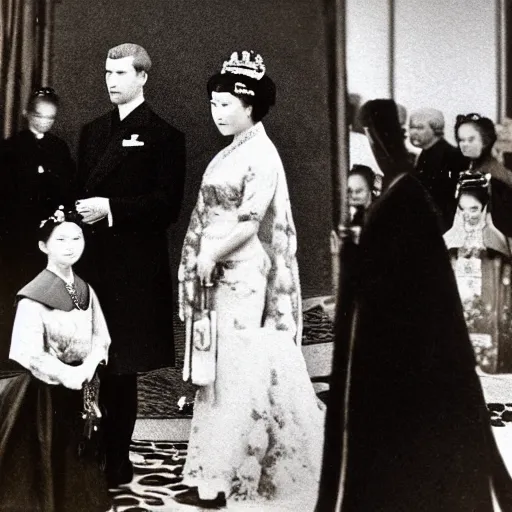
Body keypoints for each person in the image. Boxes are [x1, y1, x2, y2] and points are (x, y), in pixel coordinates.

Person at [316, 99, 512, 511]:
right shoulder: (401, 185)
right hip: (401, 334)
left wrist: (354, 256)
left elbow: (397, 266)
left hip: (403, 337)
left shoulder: (404, 191)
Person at [175, 50, 324, 509]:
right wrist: (199, 259)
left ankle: (232, 475)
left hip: (242, 271)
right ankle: (209, 472)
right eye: (214, 105)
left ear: (250, 106)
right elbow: (207, 215)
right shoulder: (229, 153)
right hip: (216, 271)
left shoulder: (263, 153)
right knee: (216, 369)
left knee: (237, 372)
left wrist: (210, 255)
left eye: (226, 106)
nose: (217, 113)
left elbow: (249, 220)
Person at [75, 43, 186, 488]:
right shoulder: (93, 131)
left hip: (133, 272)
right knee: (87, 362)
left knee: (121, 369)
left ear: (143, 77)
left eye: (120, 73)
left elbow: (166, 206)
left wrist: (111, 208)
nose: (111, 80)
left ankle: (117, 460)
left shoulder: (163, 135)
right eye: (107, 72)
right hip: (91, 265)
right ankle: (88, 450)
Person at [0, 209, 112, 511]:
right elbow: (27, 352)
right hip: (43, 395)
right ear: (43, 246)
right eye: (60, 239)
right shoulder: (33, 297)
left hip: (81, 388)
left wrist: (88, 368)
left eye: (77, 238)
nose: (70, 245)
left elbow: (101, 337)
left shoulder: (85, 289)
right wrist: (68, 375)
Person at [0, 87, 75, 373]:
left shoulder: (58, 148)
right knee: (16, 292)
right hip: (17, 237)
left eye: (51, 118)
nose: (45, 123)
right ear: (27, 114)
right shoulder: (10, 149)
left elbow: (68, 187)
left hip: (50, 235)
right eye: (40, 116)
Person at [444, 175, 512, 373]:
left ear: (484, 208)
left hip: (488, 313)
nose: (467, 215)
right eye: (462, 208)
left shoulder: (496, 239)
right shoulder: (449, 238)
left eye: (474, 209)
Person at [409, 107, 468, 231]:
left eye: (420, 128)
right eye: (412, 127)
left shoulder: (451, 156)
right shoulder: (425, 154)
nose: (413, 132)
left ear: (436, 129)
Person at [455, 113, 512, 237]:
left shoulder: (491, 177)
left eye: (471, 140)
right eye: (461, 140)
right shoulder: (476, 168)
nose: (464, 145)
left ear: (485, 142)